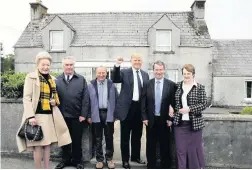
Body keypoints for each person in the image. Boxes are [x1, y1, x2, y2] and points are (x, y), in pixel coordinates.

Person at [16, 51, 71, 169]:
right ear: (38, 65)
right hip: (37, 116)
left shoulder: (52, 79)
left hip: (49, 116)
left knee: (47, 146)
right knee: (37, 146)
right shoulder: (31, 77)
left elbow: (56, 98)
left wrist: (54, 102)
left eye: (48, 65)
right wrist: (31, 116)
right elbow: (27, 98)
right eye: (43, 64)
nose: (46, 67)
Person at [112, 53, 149, 169]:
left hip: (139, 109)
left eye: (139, 60)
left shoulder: (145, 74)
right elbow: (115, 79)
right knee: (125, 137)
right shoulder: (124, 72)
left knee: (137, 136)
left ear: (141, 62)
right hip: (127, 109)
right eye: (135, 60)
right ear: (131, 61)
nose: (137, 62)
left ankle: (135, 156)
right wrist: (117, 65)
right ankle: (125, 160)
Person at [55, 56, 89, 169]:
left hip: (77, 116)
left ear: (74, 66)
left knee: (76, 140)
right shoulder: (57, 80)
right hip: (62, 116)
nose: (69, 67)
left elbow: (86, 99)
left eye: (71, 65)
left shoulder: (81, 79)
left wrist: (83, 114)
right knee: (64, 140)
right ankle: (65, 160)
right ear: (63, 66)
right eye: (67, 65)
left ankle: (77, 161)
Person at [171, 64, 207, 169]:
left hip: (195, 125)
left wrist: (190, 109)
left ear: (193, 74)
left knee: (193, 151)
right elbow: (170, 99)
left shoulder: (200, 87)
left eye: (188, 74)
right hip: (180, 124)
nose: (186, 76)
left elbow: (203, 104)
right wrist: (170, 106)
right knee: (180, 150)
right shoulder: (177, 86)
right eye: (184, 74)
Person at [141, 60, 176, 169]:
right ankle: (151, 165)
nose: (158, 72)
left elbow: (174, 103)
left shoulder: (171, 85)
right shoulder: (147, 84)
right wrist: (144, 117)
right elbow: (143, 102)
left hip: (165, 120)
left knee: (165, 145)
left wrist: (171, 119)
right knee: (150, 145)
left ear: (164, 70)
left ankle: (166, 166)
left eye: (160, 70)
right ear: (153, 70)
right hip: (150, 120)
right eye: (156, 69)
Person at [88, 66, 118, 169]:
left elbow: (117, 100)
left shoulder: (111, 85)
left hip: (108, 113)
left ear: (106, 73)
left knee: (109, 137)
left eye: (103, 73)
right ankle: (99, 160)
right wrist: (88, 116)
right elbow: (87, 102)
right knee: (97, 138)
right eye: (99, 73)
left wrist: (115, 115)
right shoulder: (91, 85)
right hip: (96, 114)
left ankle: (109, 159)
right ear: (96, 73)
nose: (101, 75)